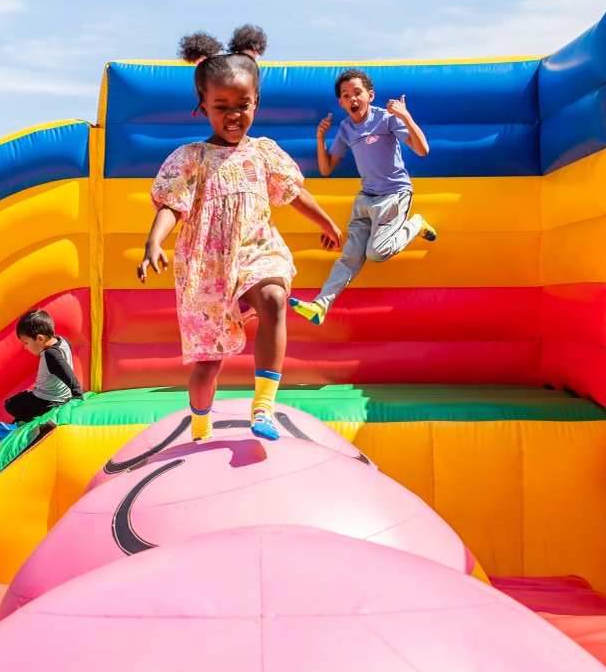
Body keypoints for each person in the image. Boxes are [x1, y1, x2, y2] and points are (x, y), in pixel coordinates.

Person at [139, 44, 342, 442]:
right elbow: (172, 206)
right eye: (222, 106)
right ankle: (200, 426)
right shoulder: (191, 158)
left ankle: (263, 406)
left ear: (256, 103)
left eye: (242, 105)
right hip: (208, 267)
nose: (233, 114)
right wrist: (154, 242)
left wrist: (328, 222)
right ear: (203, 107)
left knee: (274, 297)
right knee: (208, 365)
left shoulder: (264, 153)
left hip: (255, 248)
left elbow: (293, 193)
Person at [289, 69, 436, 327]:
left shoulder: (386, 119)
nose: (352, 98)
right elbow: (326, 169)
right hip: (365, 199)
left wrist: (405, 116)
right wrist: (320, 138)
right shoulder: (346, 128)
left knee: (377, 253)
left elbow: (423, 150)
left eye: (357, 93)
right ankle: (320, 306)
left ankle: (416, 224)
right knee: (350, 257)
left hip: (394, 195)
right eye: (346, 95)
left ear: (370, 95)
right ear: (341, 102)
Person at [4, 308, 83, 424]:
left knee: (11, 403)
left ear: (40, 339)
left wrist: (78, 397)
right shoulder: (63, 341)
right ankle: (23, 421)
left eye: (26, 343)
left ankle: (36, 422)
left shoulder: (51, 355)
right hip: (60, 398)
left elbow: (68, 374)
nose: (25, 347)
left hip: (47, 402)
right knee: (24, 401)